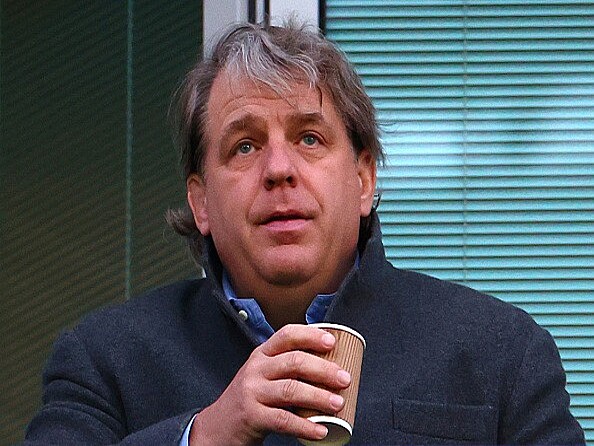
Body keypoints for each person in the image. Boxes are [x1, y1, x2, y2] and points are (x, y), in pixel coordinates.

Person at [24, 21, 585, 446]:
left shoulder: (501, 353)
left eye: (309, 138)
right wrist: (207, 434)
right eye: (244, 145)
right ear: (201, 202)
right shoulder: (104, 360)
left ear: (363, 179)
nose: (278, 169)